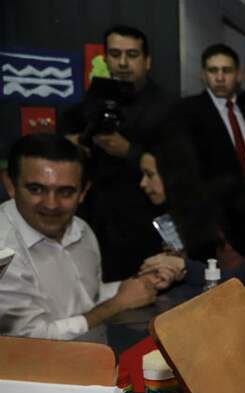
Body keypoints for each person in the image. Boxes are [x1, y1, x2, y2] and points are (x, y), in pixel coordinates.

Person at [0, 134, 157, 340]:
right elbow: (30, 338)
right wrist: (117, 304)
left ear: (83, 192)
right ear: (10, 185)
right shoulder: (4, 250)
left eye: (65, 192)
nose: (51, 204)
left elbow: (86, 297)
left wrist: (136, 286)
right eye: (36, 189)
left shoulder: (80, 229)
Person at [60, 25, 174, 281]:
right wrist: (74, 144)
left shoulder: (167, 106)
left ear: (147, 61)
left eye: (132, 55)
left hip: (146, 224)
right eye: (115, 54)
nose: (122, 63)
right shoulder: (94, 97)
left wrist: (129, 151)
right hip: (96, 224)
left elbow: (177, 168)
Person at [167, 44, 245, 183]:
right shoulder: (186, 111)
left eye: (227, 71)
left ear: (239, 75)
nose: (220, 78)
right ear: (203, 76)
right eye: (213, 70)